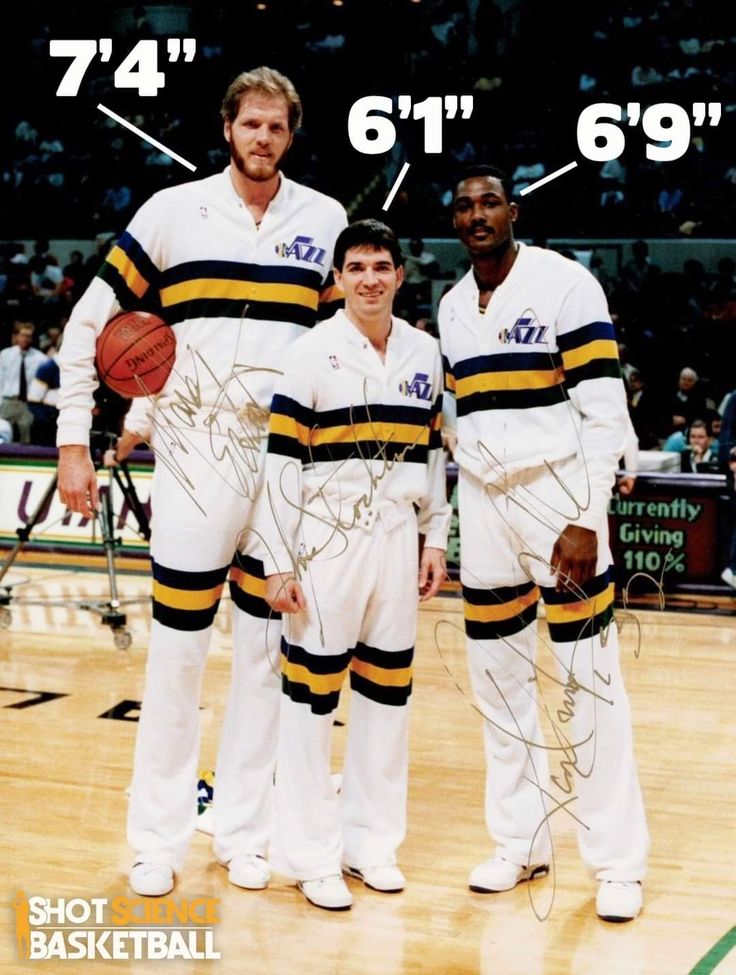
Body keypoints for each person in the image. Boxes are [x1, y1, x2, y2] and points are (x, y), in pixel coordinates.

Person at [56, 66, 348, 897]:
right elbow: (90, 324)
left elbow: (342, 344)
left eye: (278, 128)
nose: (263, 139)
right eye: (251, 124)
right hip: (194, 452)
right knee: (178, 655)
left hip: (285, 460)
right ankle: (157, 836)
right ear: (228, 128)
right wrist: (76, 439)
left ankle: (244, 831)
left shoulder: (323, 220)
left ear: (292, 135)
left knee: (264, 651)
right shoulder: (171, 211)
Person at [438, 164, 649, 922]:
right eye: (463, 205)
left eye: (489, 201)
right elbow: (460, 416)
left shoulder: (566, 284)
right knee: (498, 682)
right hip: (487, 506)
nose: (476, 214)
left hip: (559, 498)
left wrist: (588, 513)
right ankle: (521, 839)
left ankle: (618, 861)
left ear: (514, 211)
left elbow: (604, 409)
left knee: (588, 678)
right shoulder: (454, 304)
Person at [261, 220, 451, 911]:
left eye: (381, 265)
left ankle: (371, 844)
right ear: (336, 279)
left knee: (385, 698)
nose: (369, 278)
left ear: (400, 275)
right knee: (311, 703)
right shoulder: (308, 353)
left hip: (397, 538)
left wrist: (435, 539)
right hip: (325, 537)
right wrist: (277, 560)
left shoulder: (427, 352)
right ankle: (309, 854)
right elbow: (279, 463)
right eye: (356, 266)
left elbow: (435, 458)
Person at [0, 320, 48, 443]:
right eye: (23, 335)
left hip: (27, 403)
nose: (26, 339)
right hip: (8, 401)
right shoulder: (5, 355)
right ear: (16, 337)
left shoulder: (40, 359)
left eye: (29, 336)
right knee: (3, 433)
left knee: (26, 435)